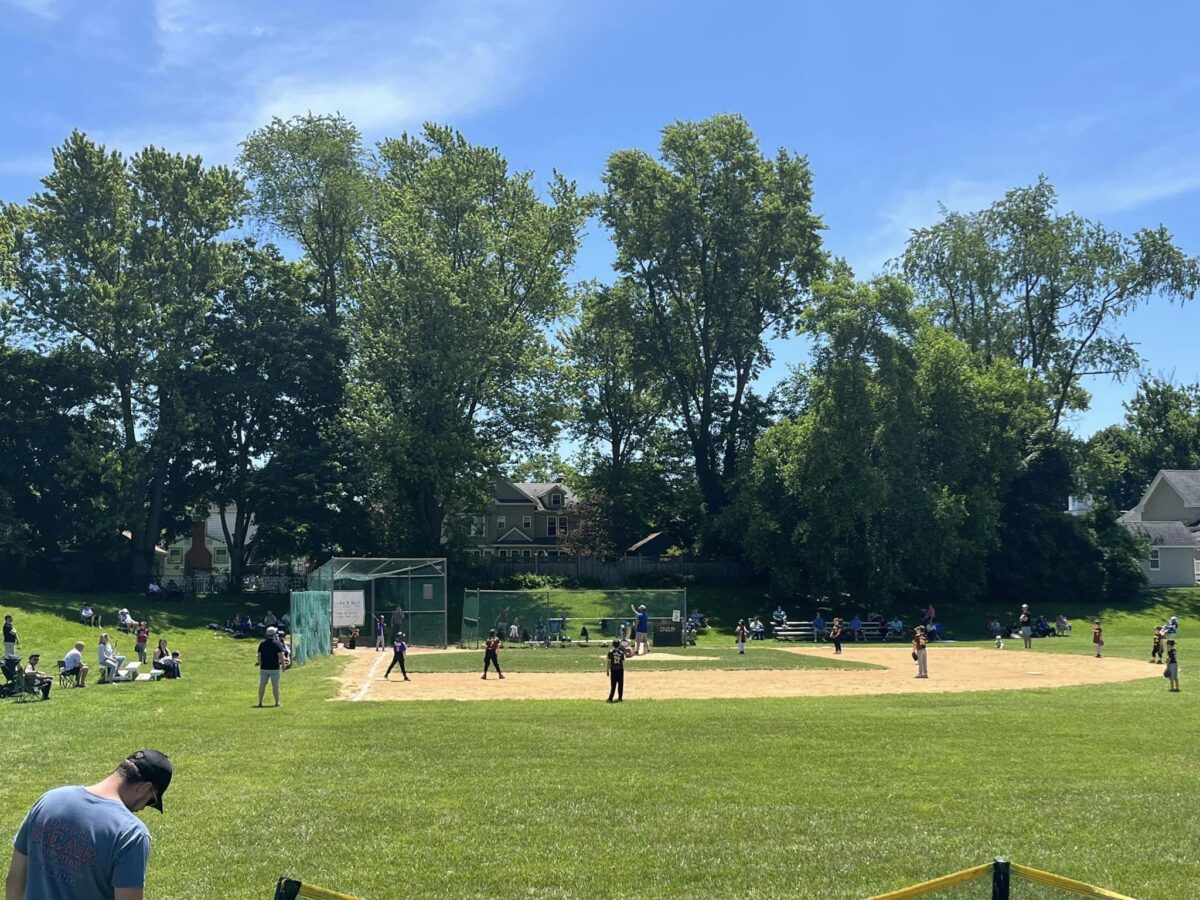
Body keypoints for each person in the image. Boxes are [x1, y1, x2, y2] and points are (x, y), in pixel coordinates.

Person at [5, 749, 172, 900]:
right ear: (144, 788)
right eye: (151, 801)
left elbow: (15, 880)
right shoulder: (130, 833)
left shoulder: (48, 800)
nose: (142, 808)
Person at [257, 626, 284, 707]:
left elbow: (259, 655)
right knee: (275, 686)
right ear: (274, 634)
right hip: (274, 668)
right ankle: (277, 702)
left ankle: (260, 702)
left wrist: (260, 664)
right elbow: (281, 656)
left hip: (264, 667)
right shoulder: (277, 644)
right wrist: (284, 665)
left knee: (262, 685)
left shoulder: (262, 644)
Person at [606, 638, 626, 702]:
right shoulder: (621, 653)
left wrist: (607, 670)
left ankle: (610, 698)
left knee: (613, 685)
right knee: (620, 684)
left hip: (613, 670)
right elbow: (623, 662)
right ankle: (620, 698)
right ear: (619, 645)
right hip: (620, 670)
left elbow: (609, 662)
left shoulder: (610, 652)